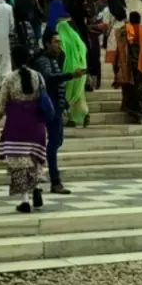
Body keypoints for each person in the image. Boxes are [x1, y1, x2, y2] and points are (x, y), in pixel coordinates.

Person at [0, 48, 49, 213]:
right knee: (34, 159)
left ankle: (25, 201)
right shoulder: (38, 77)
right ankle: (36, 189)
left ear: (14, 60)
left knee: (19, 163)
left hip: (17, 126)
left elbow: (0, 107)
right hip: (36, 125)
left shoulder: (9, 79)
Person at [33, 30, 85, 194]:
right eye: (56, 42)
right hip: (47, 107)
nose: (59, 45)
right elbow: (49, 78)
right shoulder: (43, 60)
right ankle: (52, 181)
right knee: (49, 144)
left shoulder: (53, 59)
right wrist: (70, 75)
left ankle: (45, 180)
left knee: (55, 142)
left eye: (59, 42)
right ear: (47, 43)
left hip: (55, 105)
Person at [113, 11, 142, 123]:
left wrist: (116, 64)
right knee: (141, 86)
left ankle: (130, 109)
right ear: (140, 19)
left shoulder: (123, 31)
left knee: (128, 86)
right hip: (141, 64)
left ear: (130, 20)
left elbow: (119, 50)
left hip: (126, 63)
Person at [56, 11, 90, 127]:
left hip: (69, 70)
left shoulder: (61, 39)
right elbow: (84, 49)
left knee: (68, 93)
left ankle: (73, 118)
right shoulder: (76, 37)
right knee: (79, 94)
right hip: (82, 68)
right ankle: (82, 115)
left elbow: (61, 53)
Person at [100, 0, 128, 86]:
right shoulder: (123, 8)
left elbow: (105, 25)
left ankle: (116, 77)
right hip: (123, 34)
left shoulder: (107, 10)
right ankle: (123, 77)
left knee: (115, 58)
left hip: (112, 36)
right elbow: (127, 21)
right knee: (122, 57)